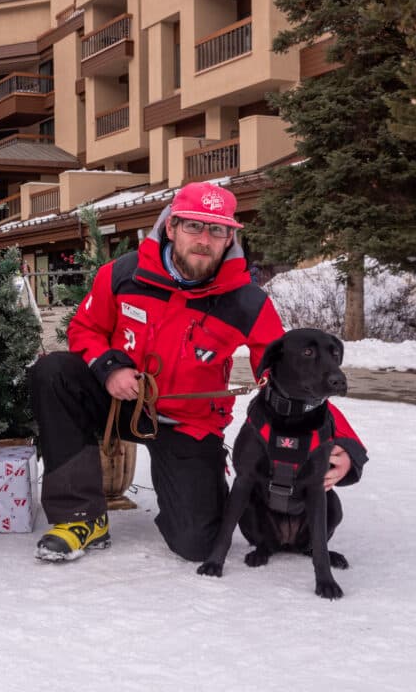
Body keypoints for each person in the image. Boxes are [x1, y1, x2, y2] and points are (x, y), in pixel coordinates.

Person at [28, 181, 368, 562]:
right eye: (193, 226)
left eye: (217, 229)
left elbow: (292, 378)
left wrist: (345, 444)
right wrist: (110, 368)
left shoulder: (247, 302)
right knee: (54, 372)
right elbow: (84, 329)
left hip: (186, 423)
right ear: (171, 227)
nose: (204, 238)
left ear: (230, 238)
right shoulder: (121, 274)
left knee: (198, 543)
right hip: (116, 400)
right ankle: (79, 517)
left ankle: (188, 500)